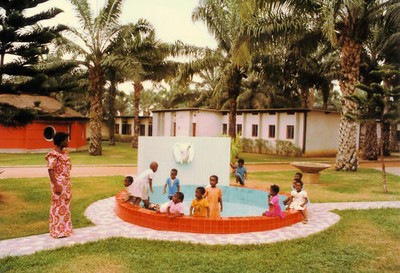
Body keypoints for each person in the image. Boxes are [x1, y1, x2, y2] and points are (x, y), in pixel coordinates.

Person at [45, 132, 73, 238]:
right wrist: (56, 184)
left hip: (66, 184)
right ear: (61, 141)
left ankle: (65, 229)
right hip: (58, 184)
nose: (67, 142)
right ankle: (56, 230)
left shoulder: (64, 153)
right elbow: (51, 170)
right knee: (57, 206)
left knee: (65, 206)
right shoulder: (53, 155)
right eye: (66, 140)